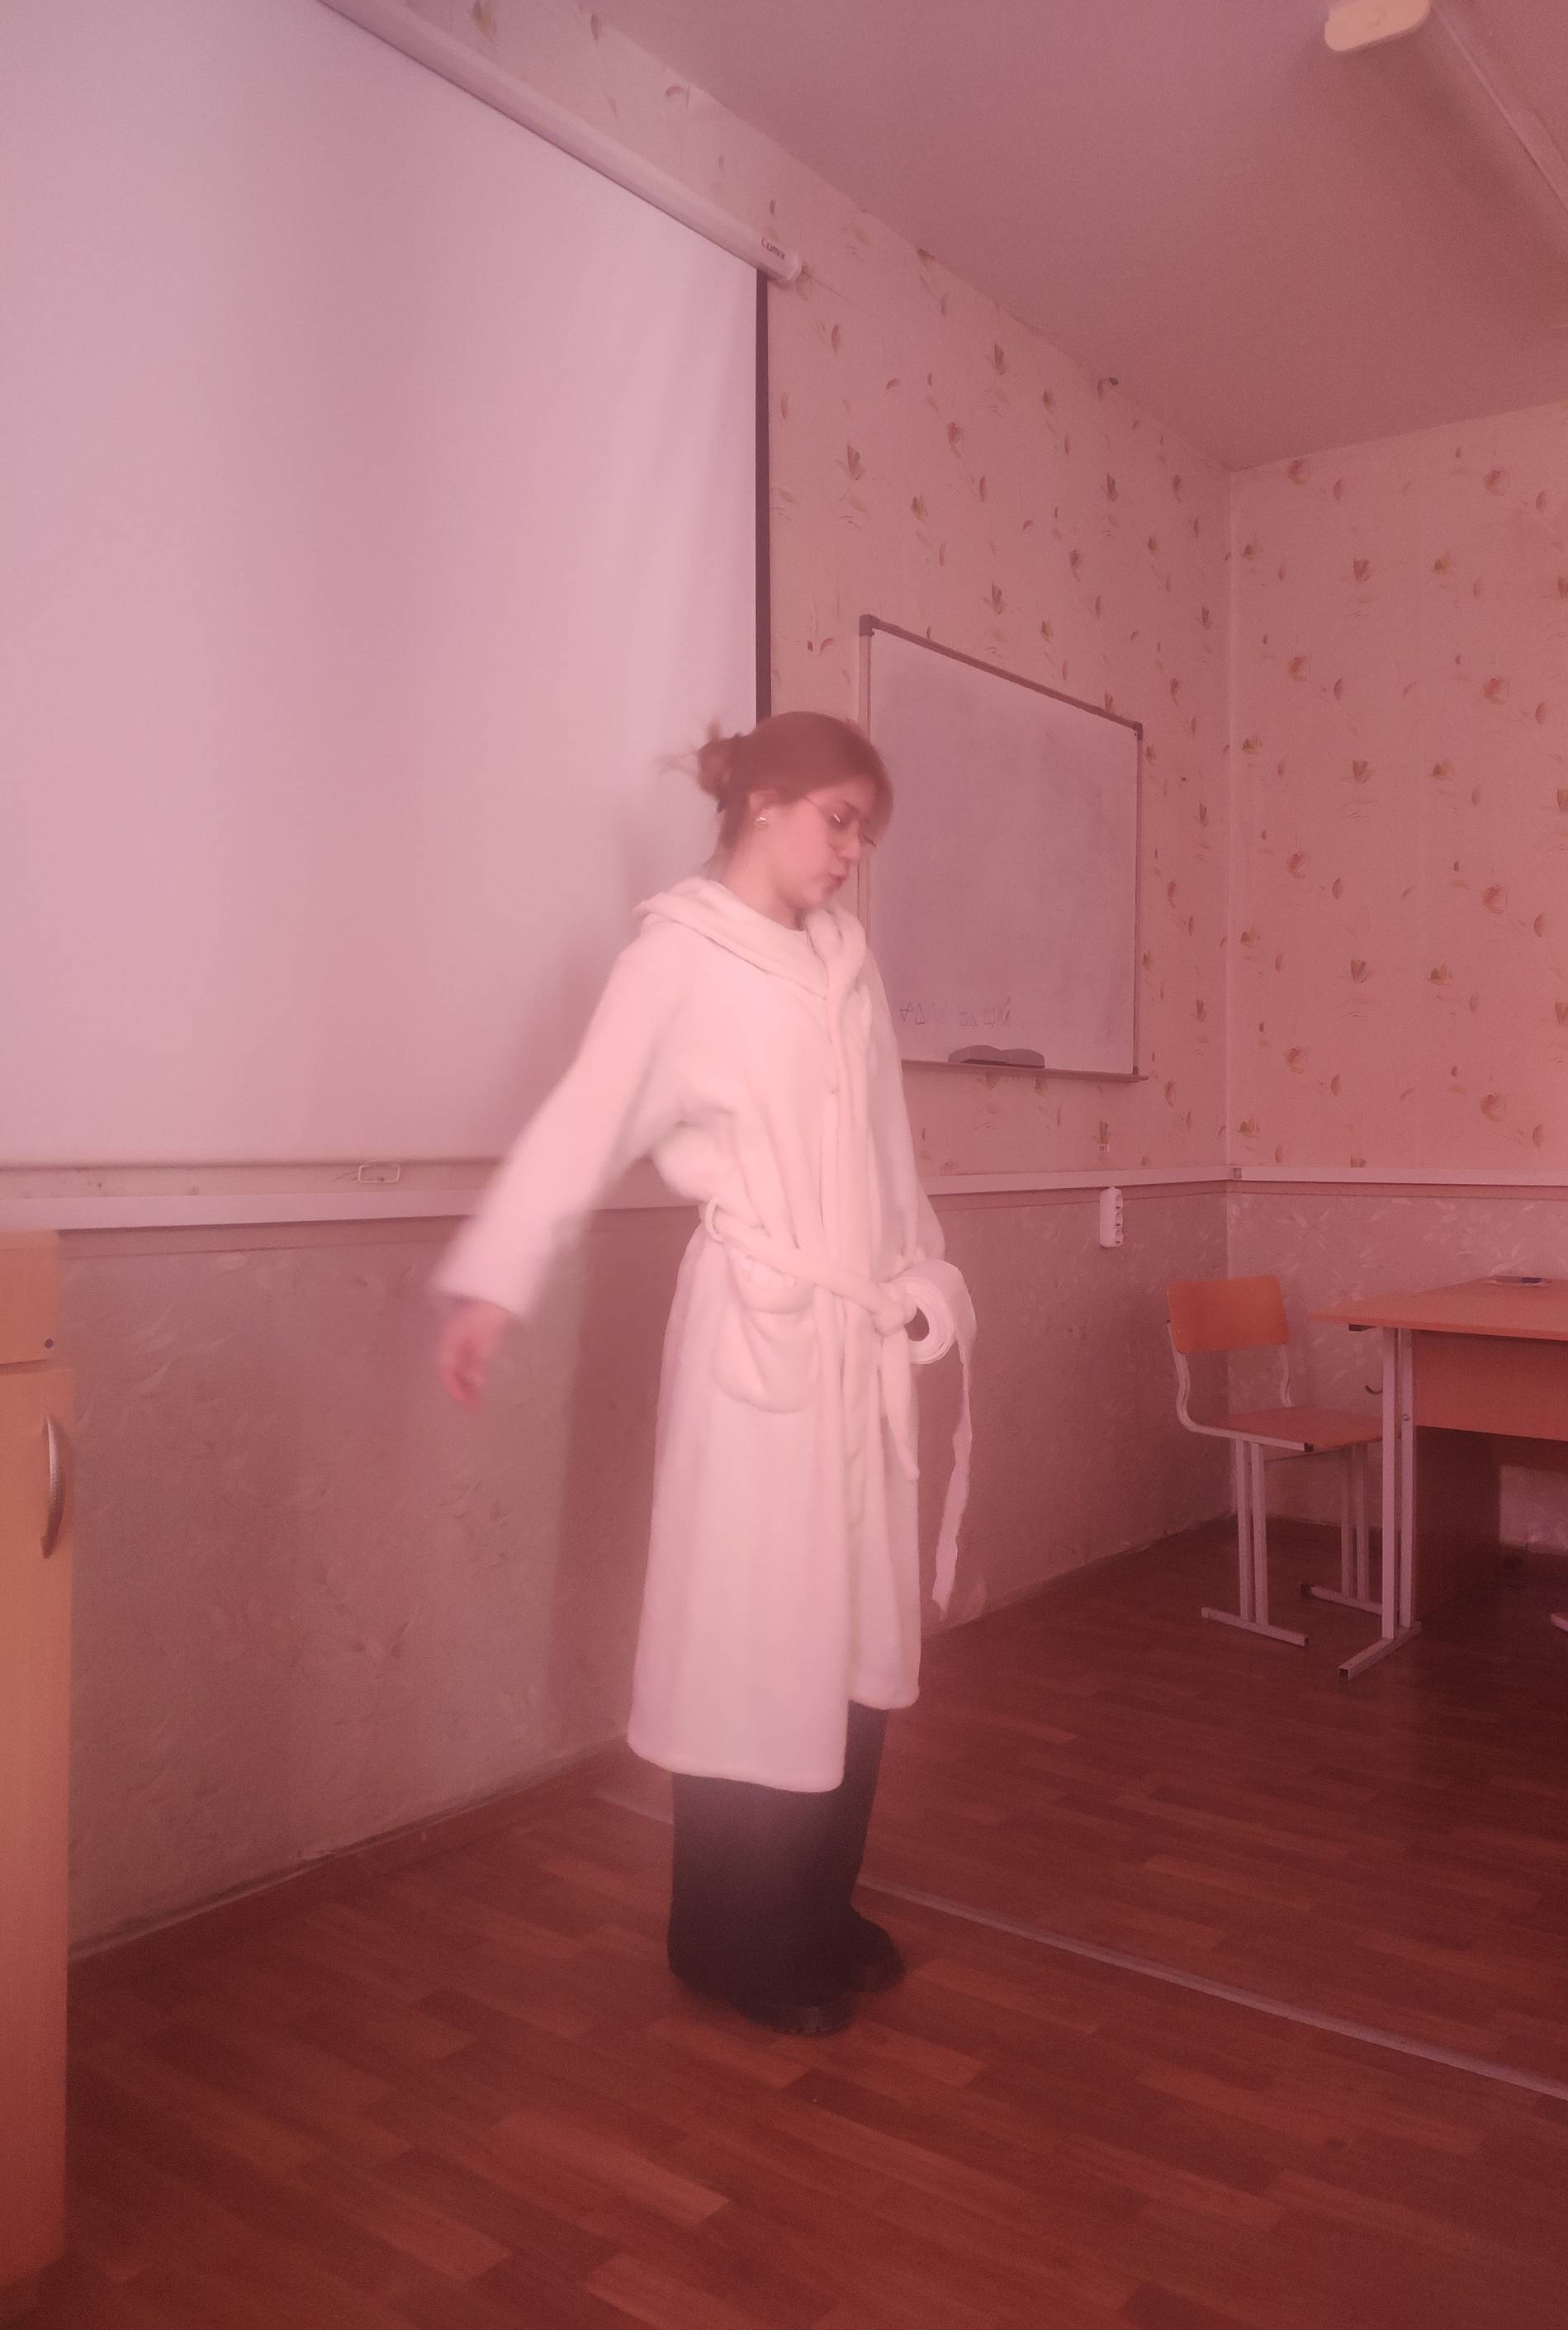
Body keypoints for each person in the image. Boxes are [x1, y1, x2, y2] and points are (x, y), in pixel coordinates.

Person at [434, 710, 973, 2036]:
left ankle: (815, 1902)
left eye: (865, 831)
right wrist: (494, 1283)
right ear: (766, 801)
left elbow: (888, 1152)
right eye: (838, 819)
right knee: (755, 1638)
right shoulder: (676, 956)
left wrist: (922, 1275)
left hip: (852, 1337)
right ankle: (727, 1934)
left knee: (853, 1635)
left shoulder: (844, 961)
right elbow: (584, 1119)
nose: (851, 852)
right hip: (760, 1339)